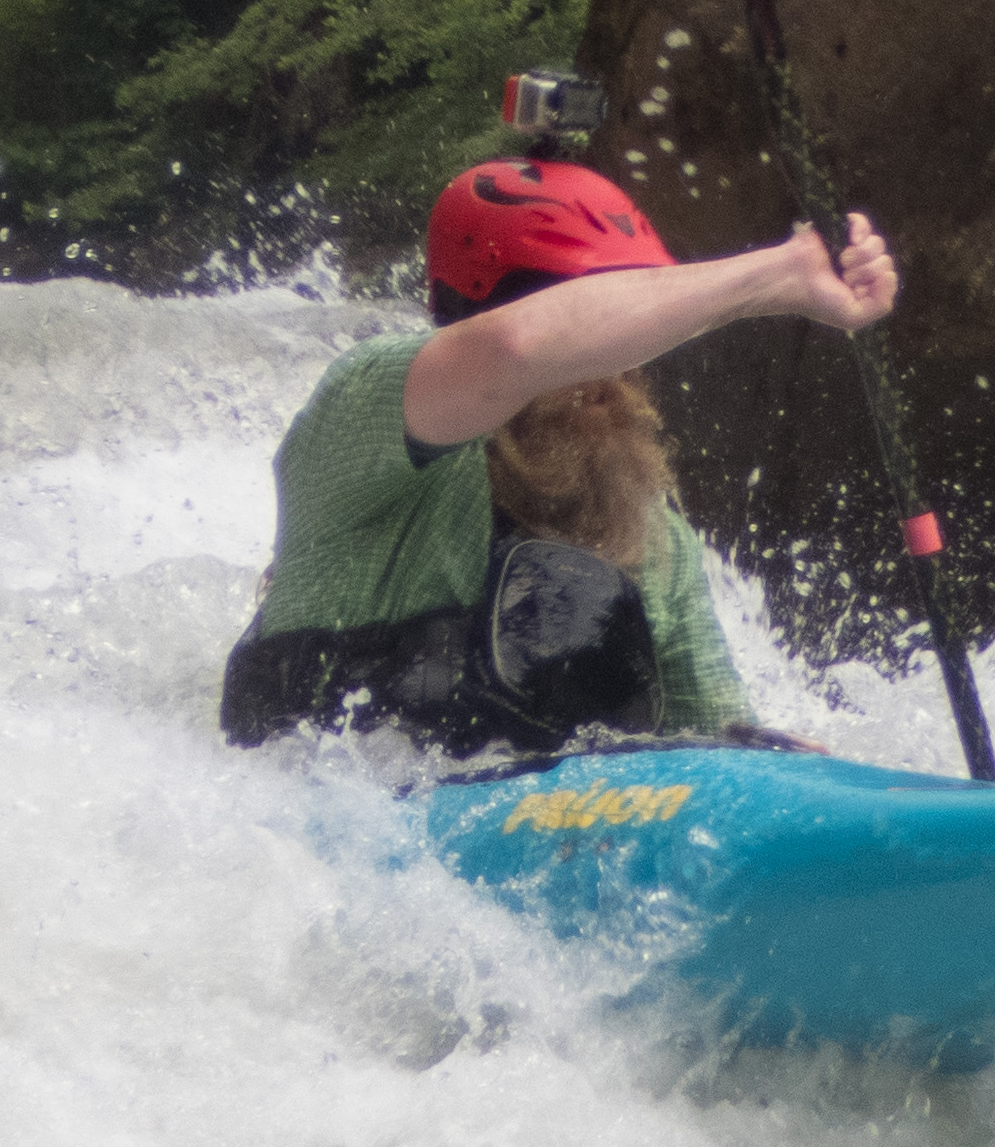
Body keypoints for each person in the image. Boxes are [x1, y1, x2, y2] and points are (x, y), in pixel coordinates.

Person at [220, 156, 898, 753]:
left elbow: (716, 741)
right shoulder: (365, 407)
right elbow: (516, 348)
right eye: (605, 333)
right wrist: (781, 273)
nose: (616, 367)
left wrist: (774, 760)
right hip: (306, 820)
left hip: (554, 831)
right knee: (560, 589)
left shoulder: (650, 530)